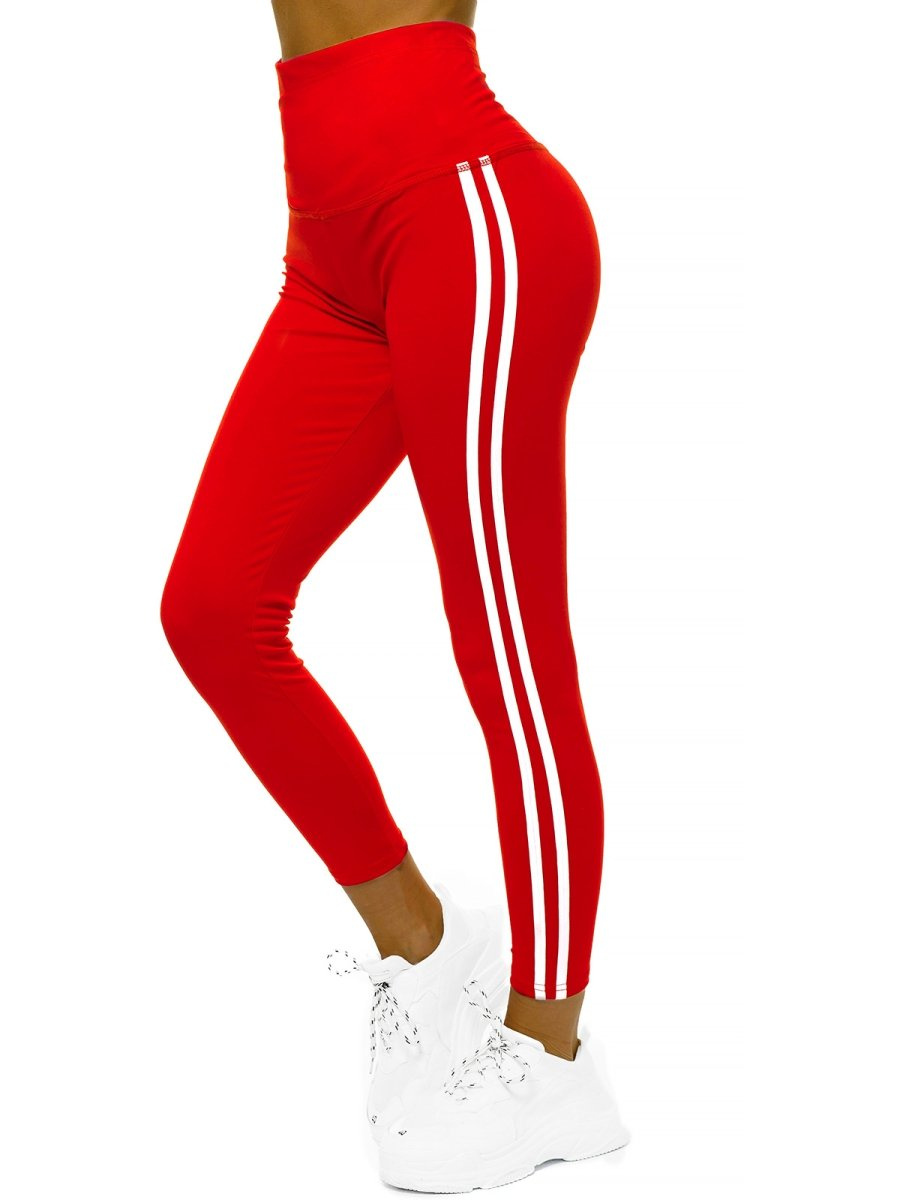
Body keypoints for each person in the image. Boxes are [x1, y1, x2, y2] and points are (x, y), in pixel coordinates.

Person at [160, 1, 629, 1189]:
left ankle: (552, 1057)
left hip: (464, 212)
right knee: (213, 609)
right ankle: (424, 943)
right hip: (329, 247)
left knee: (509, 652)